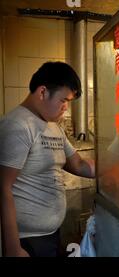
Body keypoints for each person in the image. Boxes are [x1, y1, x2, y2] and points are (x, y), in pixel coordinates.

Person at [0, 61, 95, 257]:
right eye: (63, 100)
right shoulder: (18, 126)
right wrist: (13, 248)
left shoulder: (52, 125)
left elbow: (78, 164)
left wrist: (117, 169)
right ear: (42, 92)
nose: (66, 108)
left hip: (50, 234)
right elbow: (2, 187)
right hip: (28, 240)